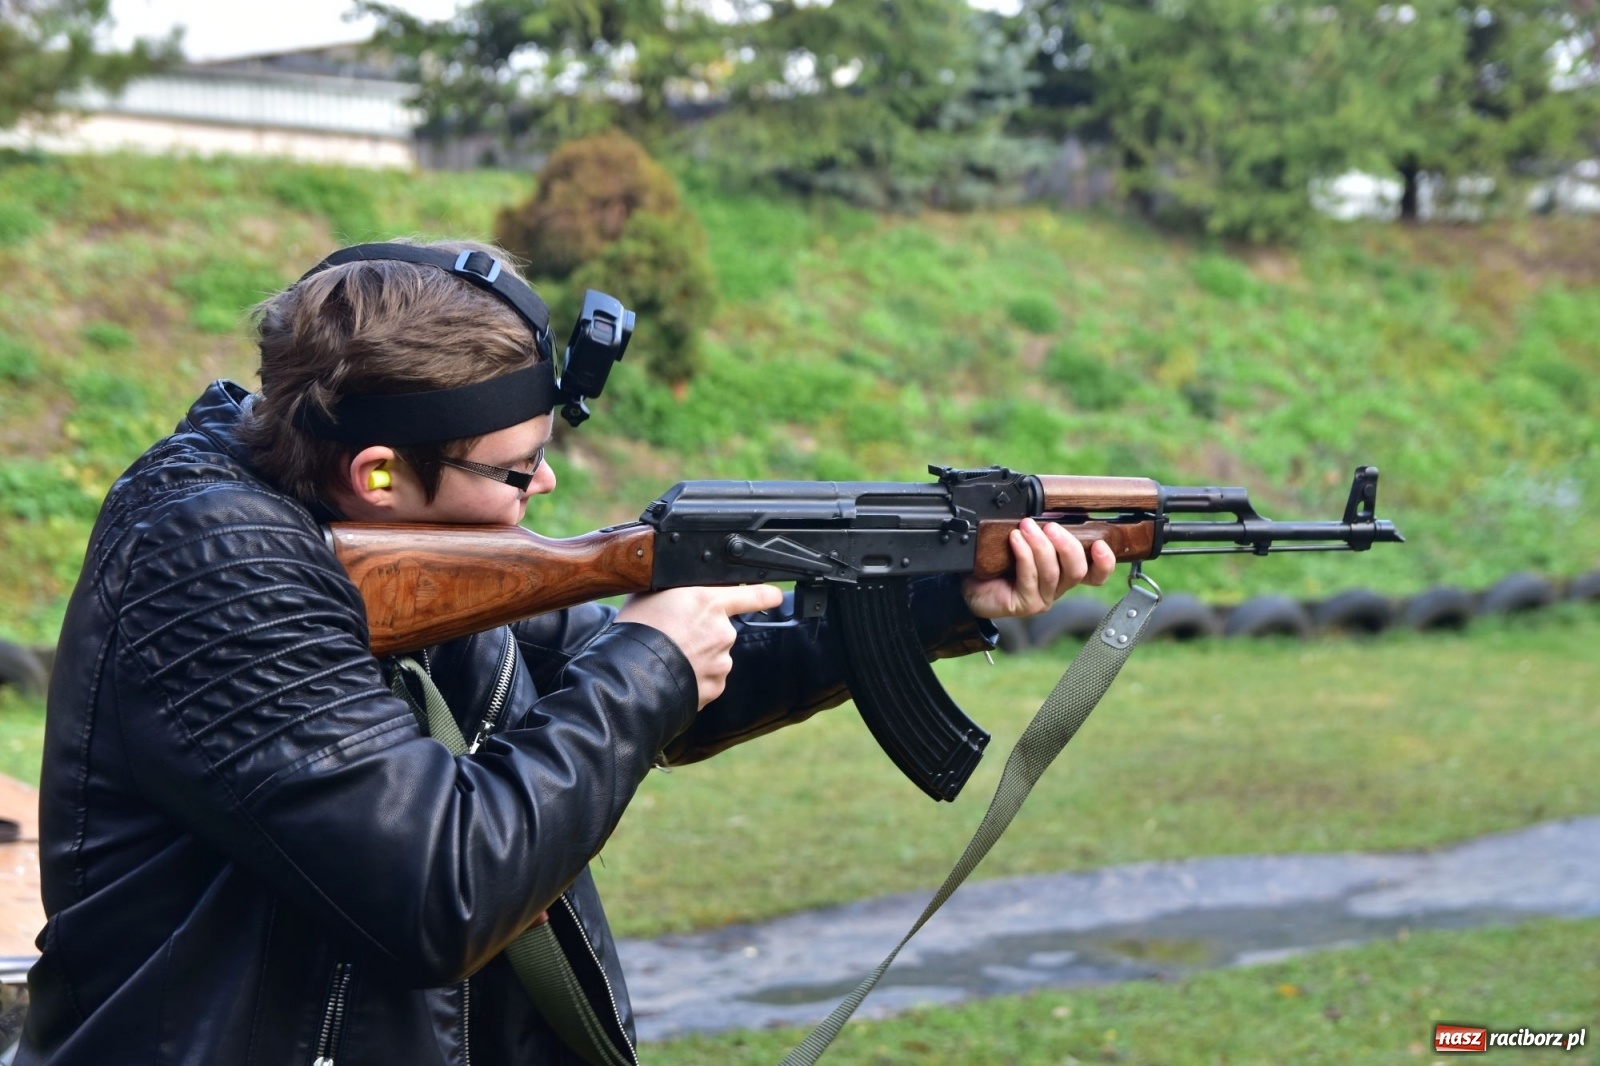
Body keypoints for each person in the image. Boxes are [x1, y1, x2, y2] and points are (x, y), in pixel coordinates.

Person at [19, 239, 1115, 1065]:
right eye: (513, 470)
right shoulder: (213, 567)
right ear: (381, 475)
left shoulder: (400, 539)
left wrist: (933, 600)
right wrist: (645, 663)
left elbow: (657, 673)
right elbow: (441, 885)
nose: (541, 488)